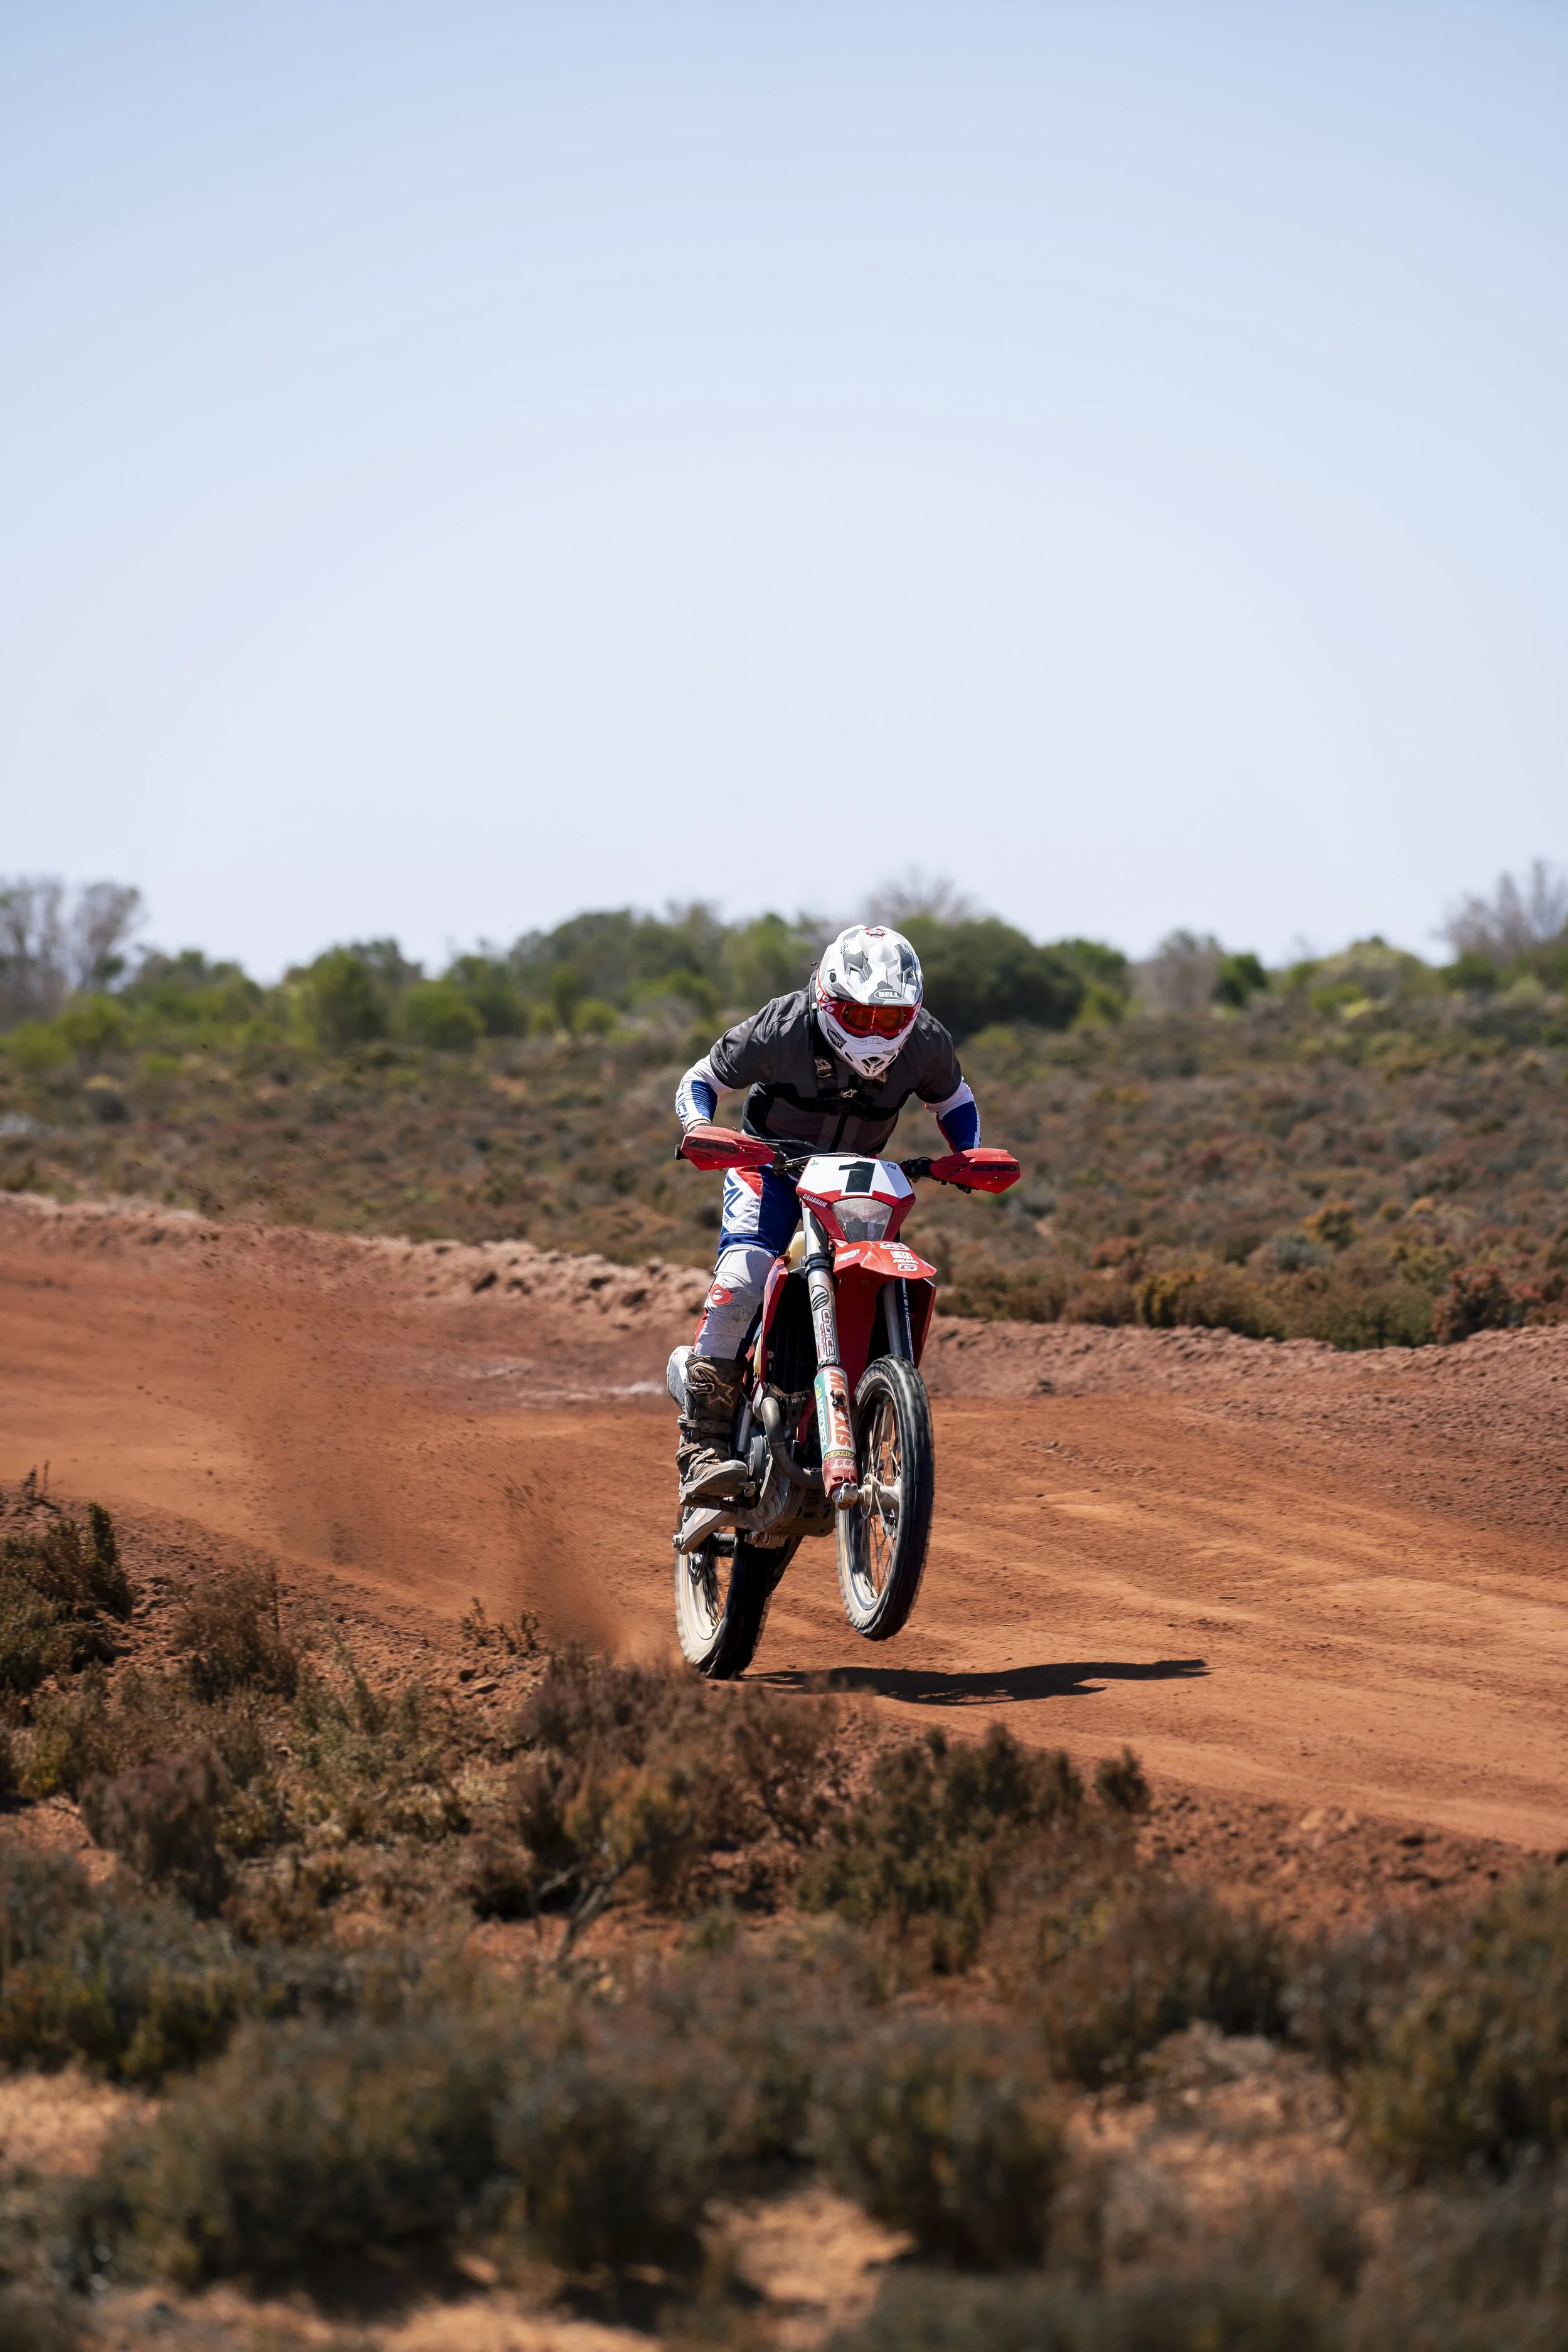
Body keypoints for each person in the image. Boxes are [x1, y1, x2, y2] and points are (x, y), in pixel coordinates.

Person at [672, 923, 982, 1503]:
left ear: (911, 1014)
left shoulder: (927, 1043)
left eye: (888, 1020)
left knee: (875, 1270)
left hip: (858, 1175)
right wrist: (700, 1129)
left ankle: (873, 1399)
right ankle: (704, 1445)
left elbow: (955, 1099)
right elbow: (702, 1078)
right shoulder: (782, 1027)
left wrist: (966, 1155)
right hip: (767, 1167)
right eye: (857, 1014)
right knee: (743, 1277)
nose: (872, 1030)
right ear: (825, 998)